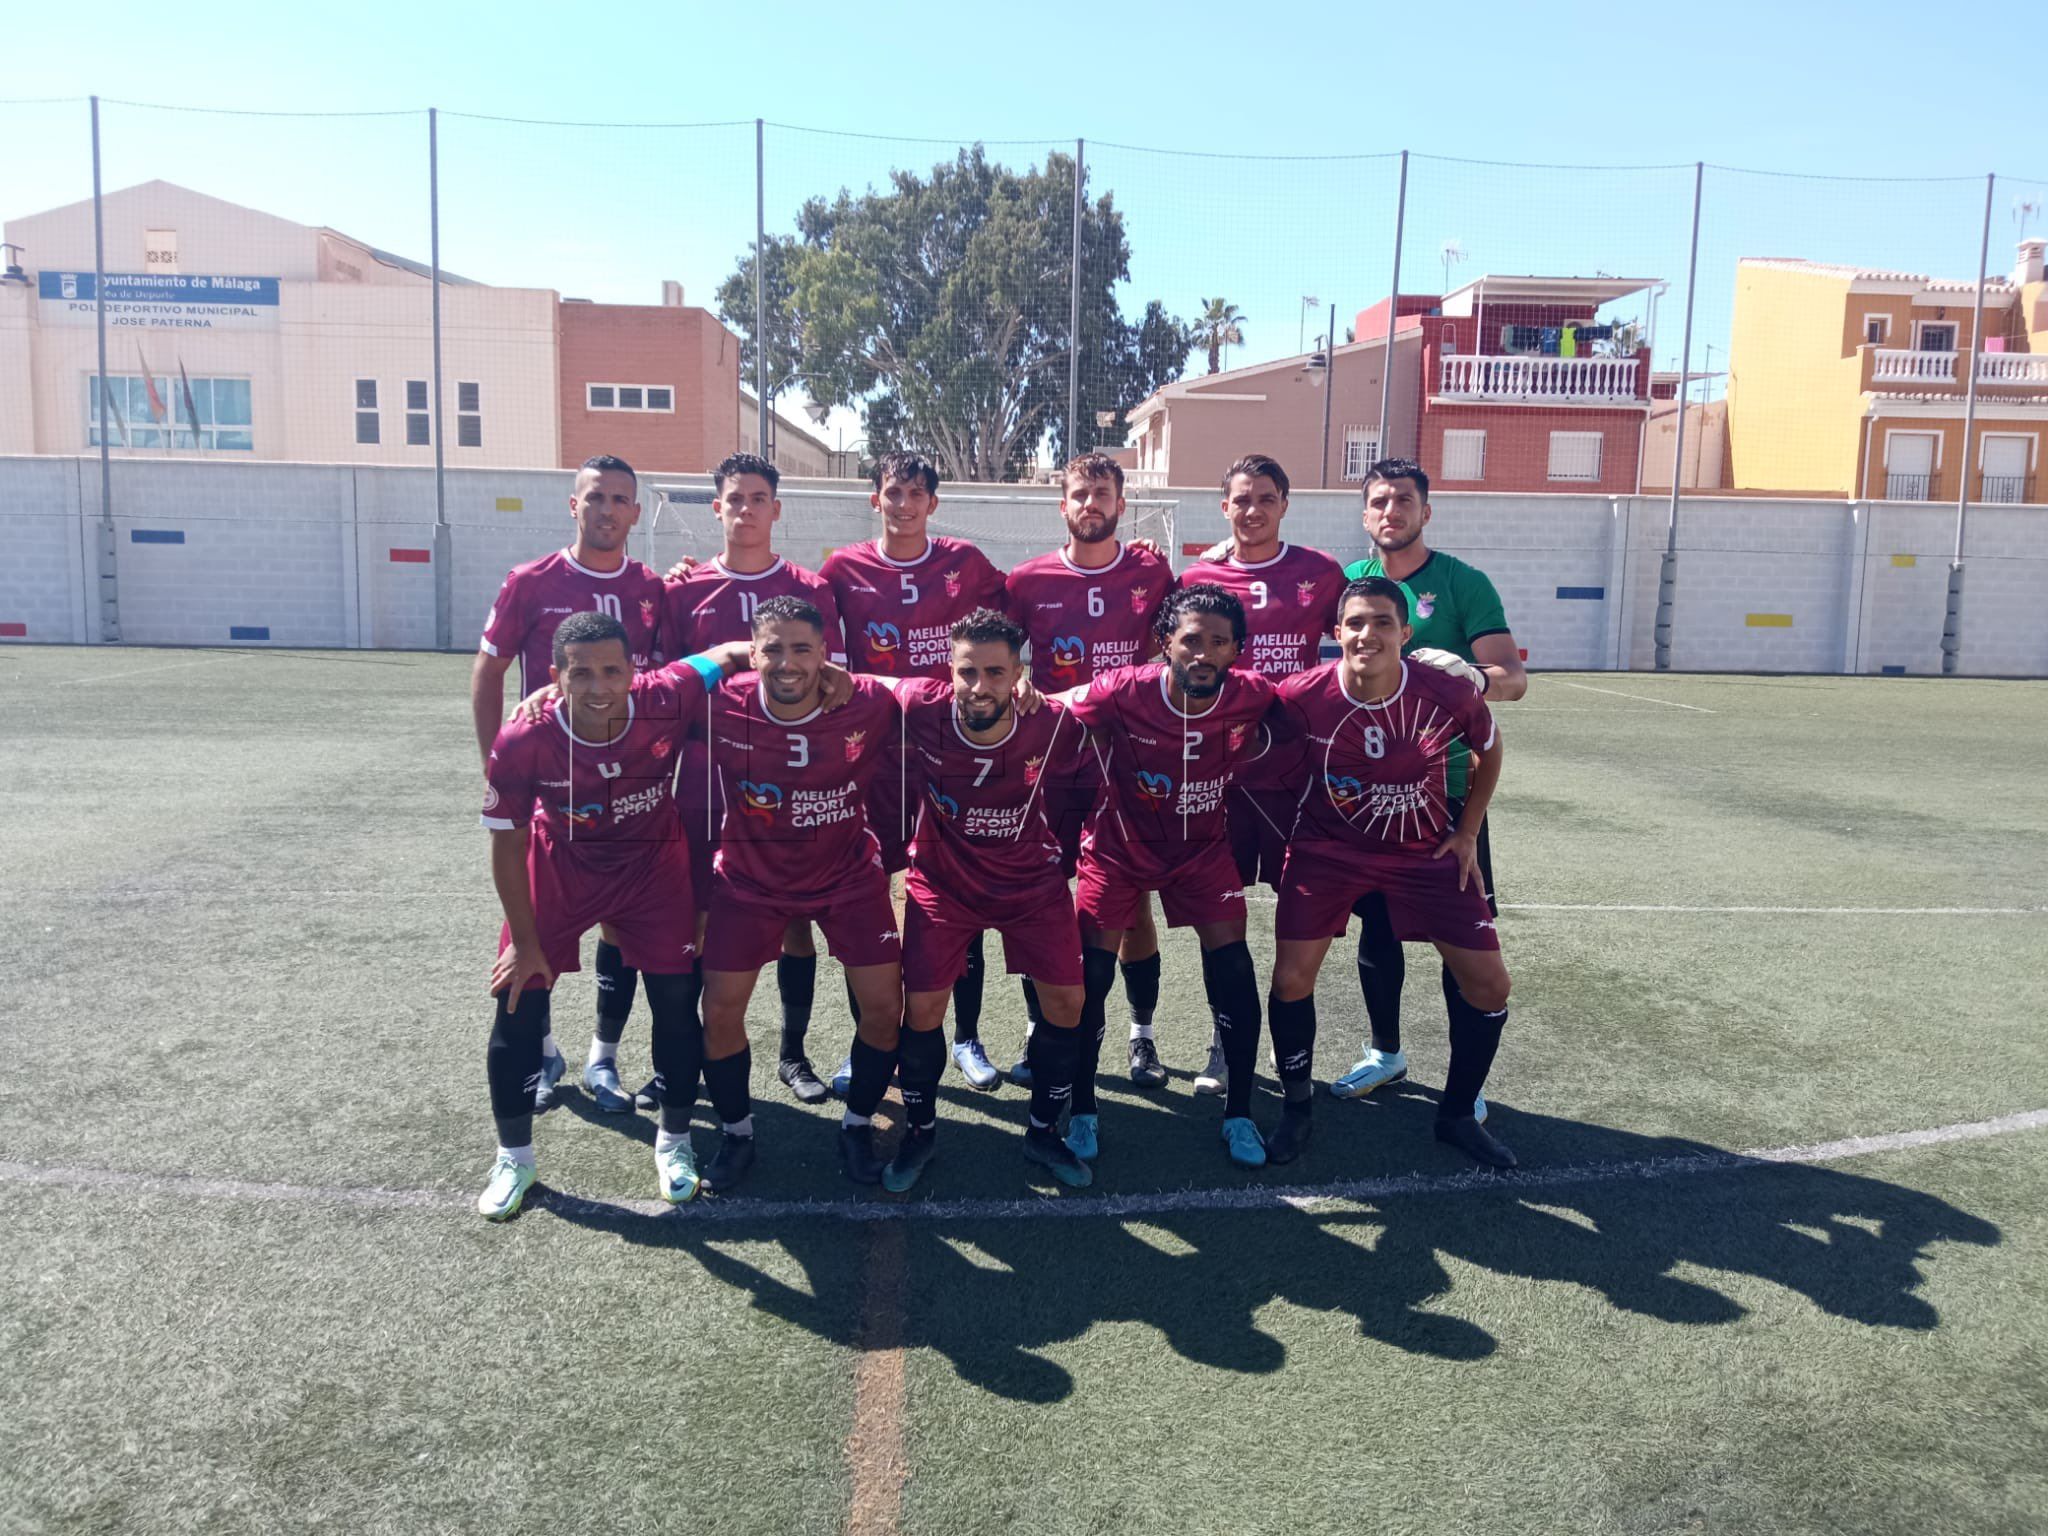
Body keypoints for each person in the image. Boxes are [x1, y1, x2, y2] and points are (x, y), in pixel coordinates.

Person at [474, 611, 760, 1220]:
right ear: (555, 677)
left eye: (611, 670)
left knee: (678, 1003)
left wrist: (814, 673)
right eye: (581, 674)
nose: (598, 685)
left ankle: (675, 1141)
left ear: (636, 671)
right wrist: (526, 944)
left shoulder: (668, 691)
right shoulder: (523, 737)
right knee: (517, 998)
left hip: (652, 870)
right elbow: (506, 843)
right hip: (561, 868)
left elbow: (734, 652)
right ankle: (514, 1157)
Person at [1268, 577, 1515, 1167]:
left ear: (1405, 633)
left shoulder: (1445, 691)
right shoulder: (1300, 695)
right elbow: (1254, 753)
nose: (1367, 634)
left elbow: (1491, 747)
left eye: (1382, 622)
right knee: (1291, 980)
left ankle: (1456, 1116)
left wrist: (1468, 831)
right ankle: (1297, 1110)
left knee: (1490, 985)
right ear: (1336, 634)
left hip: (1422, 852)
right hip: (1326, 852)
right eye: (1355, 623)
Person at [1051, 585, 1280, 1170]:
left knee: (1233, 967)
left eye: (1219, 643)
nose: (1203, 653)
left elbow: (1321, 703)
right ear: (1166, 643)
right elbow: (1046, 711)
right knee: (1090, 978)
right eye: (1191, 640)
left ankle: (1240, 1115)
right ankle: (1082, 1109)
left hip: (1202, 852)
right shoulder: (1121, 690)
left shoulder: (1254, 696)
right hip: (1116, 850)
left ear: (1237, 651)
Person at [471, 454, 669, 1115]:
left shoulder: (652, 589)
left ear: (635, 514)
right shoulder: (531, 580)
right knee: (534, 935)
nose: (607, 509)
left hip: (626, 797)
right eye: (595, 497)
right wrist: (495, 768)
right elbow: (489, 670)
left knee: (622, 928)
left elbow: (660, 682)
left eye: (619, 499)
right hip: (550, 793)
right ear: (574, 505)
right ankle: (544, 1048)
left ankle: (602, 1057)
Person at [1332, 458, 1528, 1111]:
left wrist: (1474, 677)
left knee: (1457, 937)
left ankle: (1462, 1081)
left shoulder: (1462, 582)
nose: (1392, 511)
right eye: (1380, 501)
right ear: (1364, 515)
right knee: (1378, 926)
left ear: (1425, 511)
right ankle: (1384, 1052)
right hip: (1364, 795)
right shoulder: (1349, 583)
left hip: (1444, 791)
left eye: (1404, 500)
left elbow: (1512, 676)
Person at [694, 595, 906, 1194]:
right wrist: (554, 694)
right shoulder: (721, 704)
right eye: (774, 649)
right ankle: (736, 1134)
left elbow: (927, 689)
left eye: (803, 650)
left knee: (885, 1011)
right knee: (721, 1010)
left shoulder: (863, 700)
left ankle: (857, 1125)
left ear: (825, 655)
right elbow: (654, 687)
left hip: (847, 877)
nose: (788, 663)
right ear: (754, 651)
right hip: (748, 880)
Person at [880, 608, 1095, 1191]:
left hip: (1029, 883)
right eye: (967, 672)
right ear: (948, 671)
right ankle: (920, 1133)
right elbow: (865, 683)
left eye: (995, 673)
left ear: (1018, 674)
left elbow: (1096, 743)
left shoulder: (1049, 721)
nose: (980, 687)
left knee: (1067, 1005)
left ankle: (1044, 1133)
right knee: (921, 1011)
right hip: (943, 884)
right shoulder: (922, 705)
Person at [663, 452, 846, 1110]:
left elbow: (833, 682)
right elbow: (665, 685)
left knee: (794, 916)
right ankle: (681, 1050)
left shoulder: (808, 588)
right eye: (734, 498)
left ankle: (793, 1052)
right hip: (703, 772)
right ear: (717, 508)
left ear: (776, 508)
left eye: (757, 498)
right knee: (697, 916)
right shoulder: (679, 590)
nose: (745, 509)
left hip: (786, 775)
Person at [820, 451, 1007, 1092]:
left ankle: (968, 1037)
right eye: (893, 492)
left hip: (948, 753)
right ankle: (869, 1045)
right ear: (875, 499)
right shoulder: (841, 568)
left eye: (916, 493)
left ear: (934, 503)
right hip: (868, 755)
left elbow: (1018, 620)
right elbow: (827, 661)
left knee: (963, 894)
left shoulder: (967, 564)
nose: (904, 503)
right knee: (865, 902)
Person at [1179, 453, 1348, 1097]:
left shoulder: (1320, 571)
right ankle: (1226, 1040)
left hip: (1294, 774)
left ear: (1285, 504)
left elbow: (1366, 618)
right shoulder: (1197, 576)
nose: (1253, 510)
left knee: (1297, 913)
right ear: (1224, 506)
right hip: (1218, 772)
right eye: (1241, 499)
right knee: (1217, 916)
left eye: (1265, 498)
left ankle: (1286, 1039)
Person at [1004, 453, 1173, 1090]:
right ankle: (1035, 1035)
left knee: (1132, 909)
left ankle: (1142, 1036)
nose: (1091, 503)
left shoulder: (1152, 571)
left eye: (1103, 492)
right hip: (1046, 763)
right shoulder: (1027, 579)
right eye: (1080, 493)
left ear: (1122, 504)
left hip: (1127, 763)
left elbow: (1179, 641)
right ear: (1063, 504)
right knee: (1039, 900)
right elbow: (998, 651)